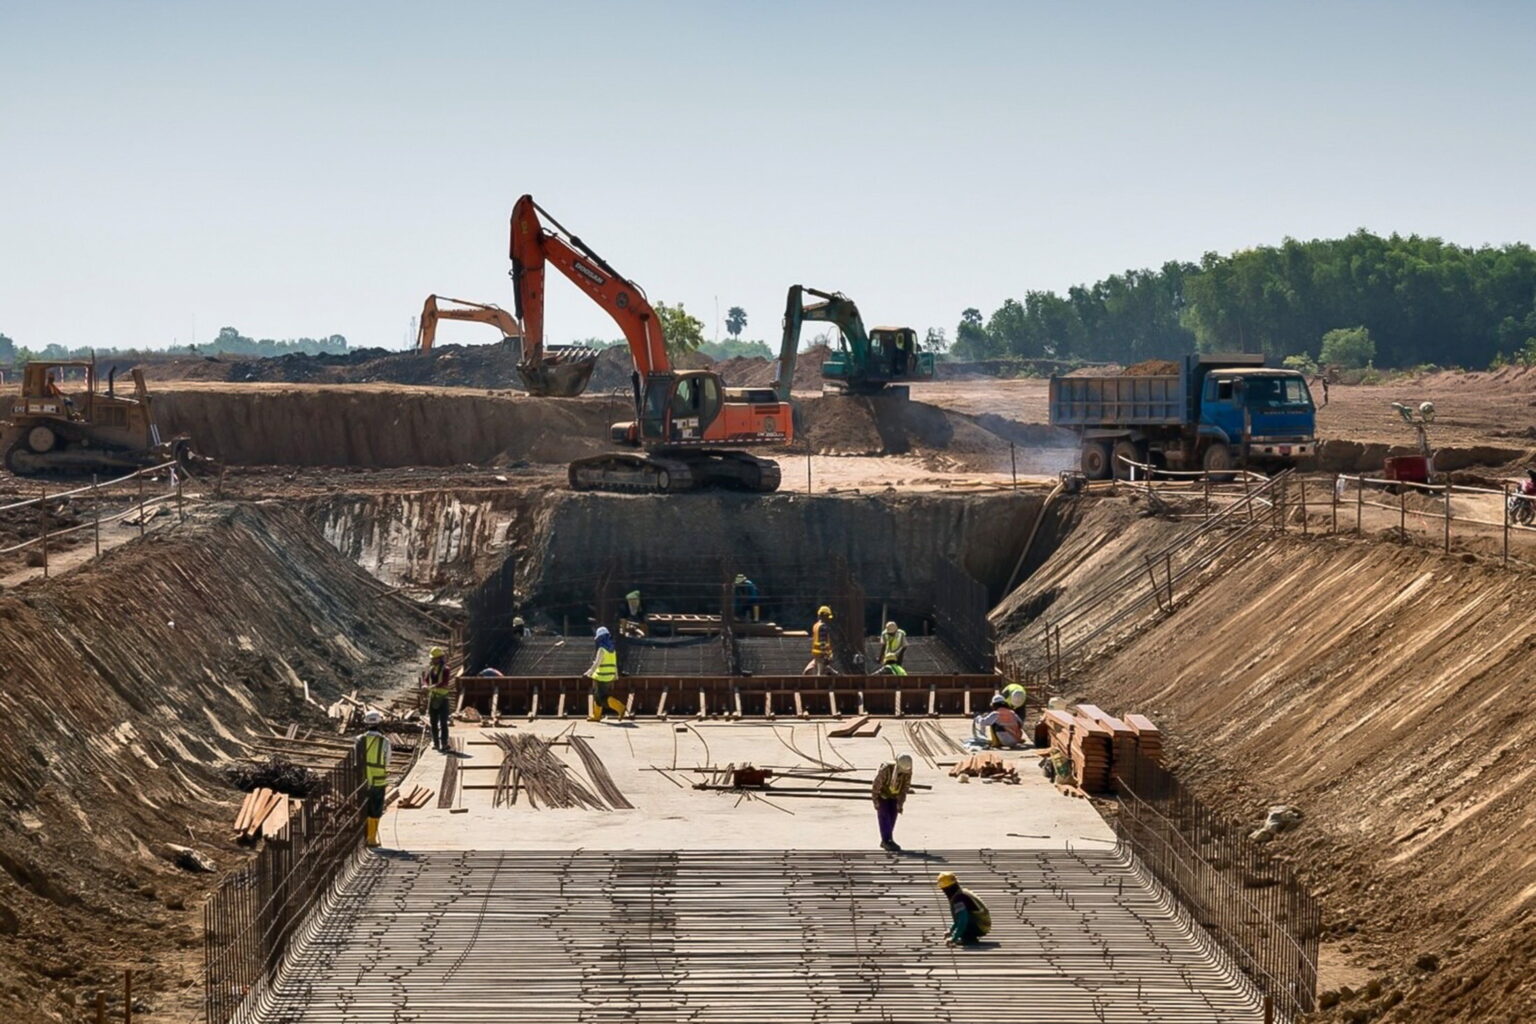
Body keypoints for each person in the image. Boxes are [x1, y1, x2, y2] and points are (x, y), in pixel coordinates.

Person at [357, 710, 391, 849]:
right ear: (379, 723)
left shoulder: (359, 740)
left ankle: (363, 838)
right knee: (375, 810)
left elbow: (355, 759)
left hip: (362, 780)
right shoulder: (385, 741)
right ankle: (371, 838)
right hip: (378, 780)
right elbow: (387, 761)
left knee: (363, 809)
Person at [871, 753, 914, 852]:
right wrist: (875, 800)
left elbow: (905, 788)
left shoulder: (907, 770)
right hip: (883, 795)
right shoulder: (886, 769)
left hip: (895, 796)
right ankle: (886, 841)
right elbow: (876, 785)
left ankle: (888, 839)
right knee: (884, 817)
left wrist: (900, 803)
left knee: (892, 817)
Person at [937, 872, 992, 947]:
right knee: (961, 914)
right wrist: (951, 930)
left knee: (963, 916)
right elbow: (959, 918)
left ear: (946, 889)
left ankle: (968, 938)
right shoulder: (961, 893)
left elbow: (963, 919)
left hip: (980, 926)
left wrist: (954, 938)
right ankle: (969, 937)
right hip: (982, 923)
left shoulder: (959, 898)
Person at [586, 626, 626, 722]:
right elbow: (614, 663)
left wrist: (588, 673)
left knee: (602, 698)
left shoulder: (601, 650)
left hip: (601, 677)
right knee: (597, 696)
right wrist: (615, 675)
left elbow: (597, 663)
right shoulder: (612, 650)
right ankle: (596, 716)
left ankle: (620, 707)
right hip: (609, 676)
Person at [422, 647, 454, 752]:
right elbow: (426, 680)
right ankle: (436, 743)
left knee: (443, 722)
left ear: (439, 658)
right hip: (433, 698)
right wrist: (425, 685)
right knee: (433, 721)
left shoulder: (446, 669)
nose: (432, 660)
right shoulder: (431, 669)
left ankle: (444, 743)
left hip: (443, 699)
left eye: (434, 658)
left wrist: (431, 687)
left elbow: (444, 682)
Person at [802, 606, 838, 676]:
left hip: (816, 654)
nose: (828, 619)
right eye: (827, 616)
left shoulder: (816, 625)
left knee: (817, 670)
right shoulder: (823, 627)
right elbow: (822, 642)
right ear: (823, 615)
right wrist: (826, 657)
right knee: (820, 675)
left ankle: (805, 674)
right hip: (822, 655)